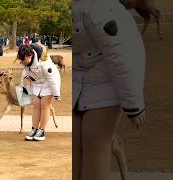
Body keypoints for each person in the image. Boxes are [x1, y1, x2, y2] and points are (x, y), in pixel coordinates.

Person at [73, 0, 146, 179]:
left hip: (108, 83)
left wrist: (133, 104)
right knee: (74, 143)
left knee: (96, 142)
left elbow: (124, 55)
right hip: (80, 78)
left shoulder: (100, 9)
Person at [17, 44, 61, 141]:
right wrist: (25, 79)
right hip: (37, 82)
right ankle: (34, 129)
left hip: (49, 83)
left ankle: (41, 131)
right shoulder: (26, 63)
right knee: (36, 105)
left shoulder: (43, 61)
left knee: (45, 105)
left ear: (29, 56)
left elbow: (52, 77)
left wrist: (56, 93)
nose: (21, 62)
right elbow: (25, 71)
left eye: (23, 59)